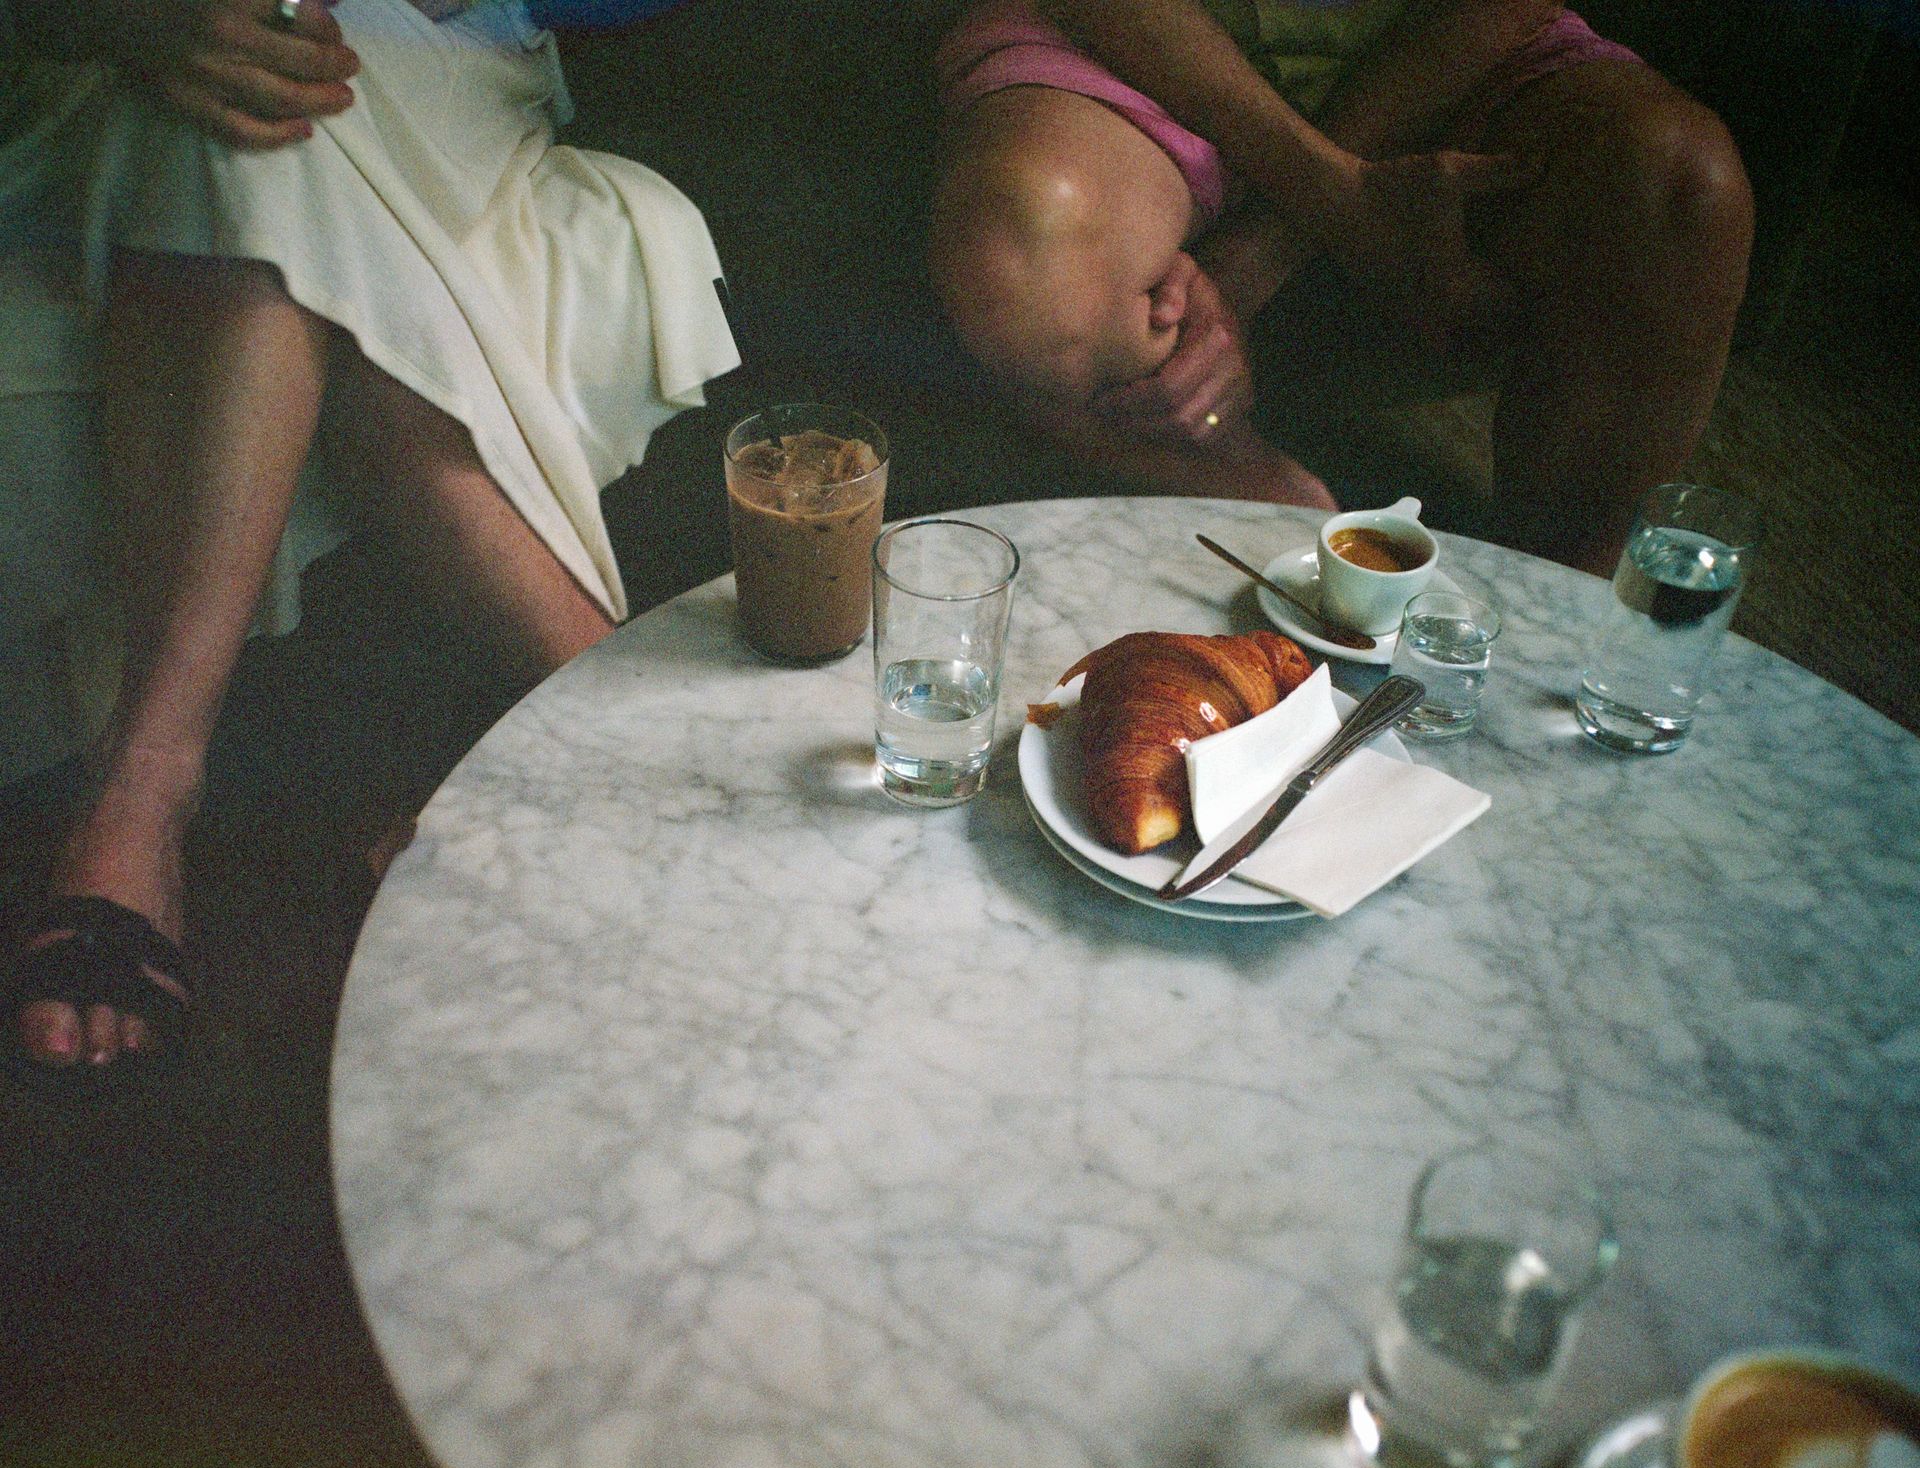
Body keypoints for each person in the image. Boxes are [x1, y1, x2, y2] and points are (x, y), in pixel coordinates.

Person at [1, 0, 738, 1089]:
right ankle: (613, 721)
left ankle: (139, 798)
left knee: (266, 115)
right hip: (91, 65)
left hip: (420, 55)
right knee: (253, 108)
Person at [928, 0, 1755, 577]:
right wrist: (1328, 190)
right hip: (1138, 31)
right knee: (1023, 264)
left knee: (1678, 189)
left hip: (1436, 56)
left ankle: (1561, 608)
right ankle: (1270, 497)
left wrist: (1264, 252)